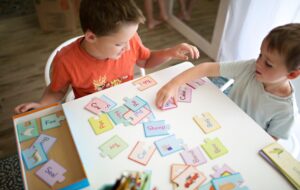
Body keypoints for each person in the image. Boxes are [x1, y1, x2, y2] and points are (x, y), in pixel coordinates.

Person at [14, 0, 199, 114]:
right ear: (91, 37)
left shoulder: (130, 39)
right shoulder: (66, 60)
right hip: (91, 112)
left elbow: (146, 60)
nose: (127, 48)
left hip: (127, 104)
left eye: (130, 39)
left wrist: (169, 52)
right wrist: (40, 105)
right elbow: (56, 91)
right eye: (119, 44)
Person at [155, 23, 300, 140]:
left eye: (268, 63)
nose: (259, 63)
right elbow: (206, 68)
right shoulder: (250, 67)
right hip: (219, 119)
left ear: (292, 74)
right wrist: (172, 85)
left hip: (241, 139)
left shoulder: (287, 111)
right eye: (260, 55)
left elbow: (270, 142)